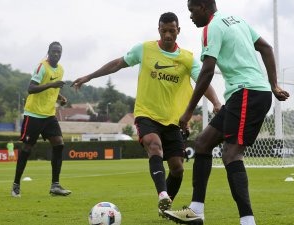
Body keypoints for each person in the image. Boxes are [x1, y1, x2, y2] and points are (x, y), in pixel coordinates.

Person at [71, 12, 221, 216]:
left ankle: (165, 207)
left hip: (173, 121)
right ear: (158, 30)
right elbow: (117, 63)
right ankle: (162, 195)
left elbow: (203, 80)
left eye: (172, 30)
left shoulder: (187, 59)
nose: (168, 35)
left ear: (179, 31)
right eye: (164, 30)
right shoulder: (144, 50)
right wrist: (89, 76)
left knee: (177, 169)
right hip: (146, 114)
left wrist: (216, 102)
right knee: (154, 145)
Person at [164, 1, 290, 225]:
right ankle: (196, 211)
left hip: (247, 93)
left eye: (192, 11)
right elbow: (266, 48)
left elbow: (207, 71)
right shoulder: (237, 21)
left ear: (203, 7)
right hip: (245, 94)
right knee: (203, 144)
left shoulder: (211, 27)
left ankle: (247, 221)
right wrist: (274, 85)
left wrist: (187, 112)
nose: (191, 17)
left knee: (231, 154)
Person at [11, 41, 71, 198]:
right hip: (33, 115)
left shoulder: (61, 69)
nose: (56, 54)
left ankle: (55, 186)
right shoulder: (41, 67)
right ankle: (16, 184)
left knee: (59, 144)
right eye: (54, 51)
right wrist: (52, 85)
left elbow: (52, 90)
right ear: (49, 52)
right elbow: (31, 88)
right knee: (27, 149)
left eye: (59, 52)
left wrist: (60, 97)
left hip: (49, 115)